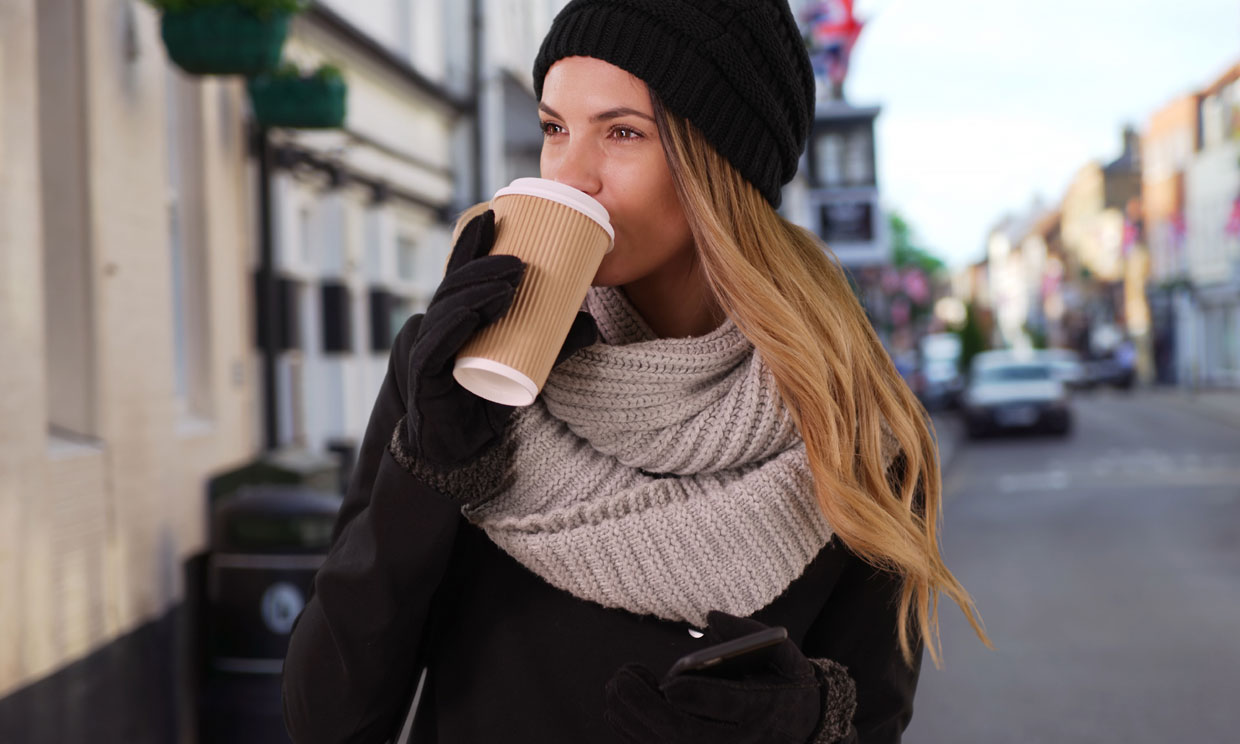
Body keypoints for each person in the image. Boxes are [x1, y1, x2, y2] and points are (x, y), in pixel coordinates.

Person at [281, 1, 990, 742]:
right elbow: (323, 720)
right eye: (555, 128)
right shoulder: (462, 367)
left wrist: (812, 722)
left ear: (720, 164)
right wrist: (425, 471)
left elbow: (872, 720)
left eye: (622, 132)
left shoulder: (850, 423)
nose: (571, 174)